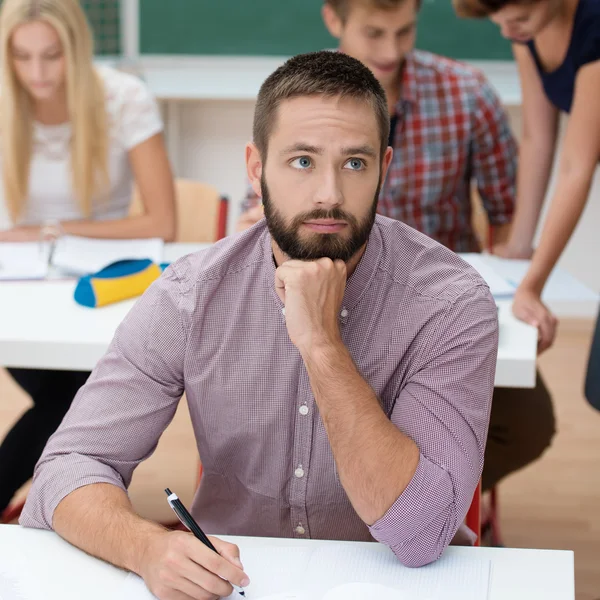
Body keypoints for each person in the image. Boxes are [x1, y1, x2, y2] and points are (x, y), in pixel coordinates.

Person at [21, 51, 498, 597]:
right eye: (302, 161)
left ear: (384, 168)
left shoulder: (449, 302)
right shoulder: (191, 293)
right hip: (237, 585)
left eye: (355, 163)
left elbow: (418, 532)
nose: (329, 195)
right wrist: (145, 547)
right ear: (255, 168)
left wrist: (321, 344)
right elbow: (66, 470)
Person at [238, 0, 555, 495]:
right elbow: (252, 219)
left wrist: (524, 290)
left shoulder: (467, 94)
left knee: (530, 421)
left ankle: (415, 497)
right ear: (334, 19)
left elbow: (508, 219)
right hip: (323, 308)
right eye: (374, 33)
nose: (391, 51)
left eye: (404, 31)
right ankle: (352, 495)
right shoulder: (298, 95)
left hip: (438, 319)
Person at [0, 0, 176, 517]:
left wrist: (51, 230)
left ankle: (54, 493)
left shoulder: (123, 98)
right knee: (70, 396)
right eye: (21, 57)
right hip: (24, 291)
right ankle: (65, 495)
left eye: (51, 56)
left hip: (106, 293)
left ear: (76, 49)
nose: (37, 74)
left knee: (70, 396)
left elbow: (162, 221)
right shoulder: (5, 96)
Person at [453, 0, 600, 384]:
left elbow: (577, 167)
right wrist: (520, 245)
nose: (507, 32)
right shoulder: (526, 32)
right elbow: (538, 140)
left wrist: (533, 285)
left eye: (518, 19)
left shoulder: (595, 25)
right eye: (500, 22)